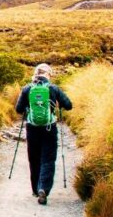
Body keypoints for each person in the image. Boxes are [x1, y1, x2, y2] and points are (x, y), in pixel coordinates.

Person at [15, 63, 72, 205]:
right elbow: (68, 105)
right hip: (49, 128)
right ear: (48, 74)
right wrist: (57, 104)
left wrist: (29, 107)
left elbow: (18, 109)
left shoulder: (27, 88)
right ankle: (44, 189)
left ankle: (35, 189)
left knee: (34, 159)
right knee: (48, 159)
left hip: (32, 128)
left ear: (36, 74)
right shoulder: (53, 88)